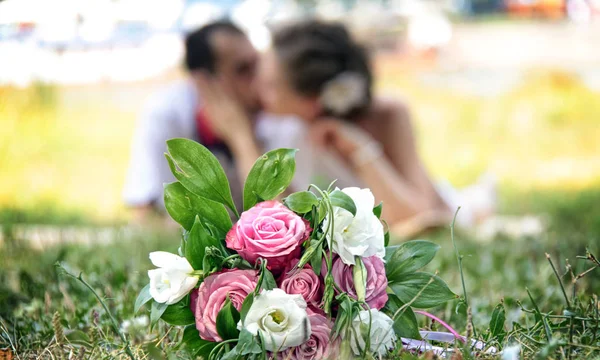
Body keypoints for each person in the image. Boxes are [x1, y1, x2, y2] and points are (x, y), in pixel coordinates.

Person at [201, 20, 476, 236]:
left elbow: (420, 220)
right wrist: (242, 139)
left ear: (311, 102)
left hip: (444, 207)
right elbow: (274, 219)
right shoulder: (281, 132)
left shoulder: (389, 114)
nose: (257, 88)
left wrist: (360, 149)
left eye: (271, 86)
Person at [123, 20, 264, 221]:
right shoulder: (166, 113)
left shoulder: (276, 112)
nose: (259, 79)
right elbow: (146, 213)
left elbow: (279, 218)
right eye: (243, 70)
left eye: (258, 65)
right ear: (204, 82)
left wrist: (242, 139)